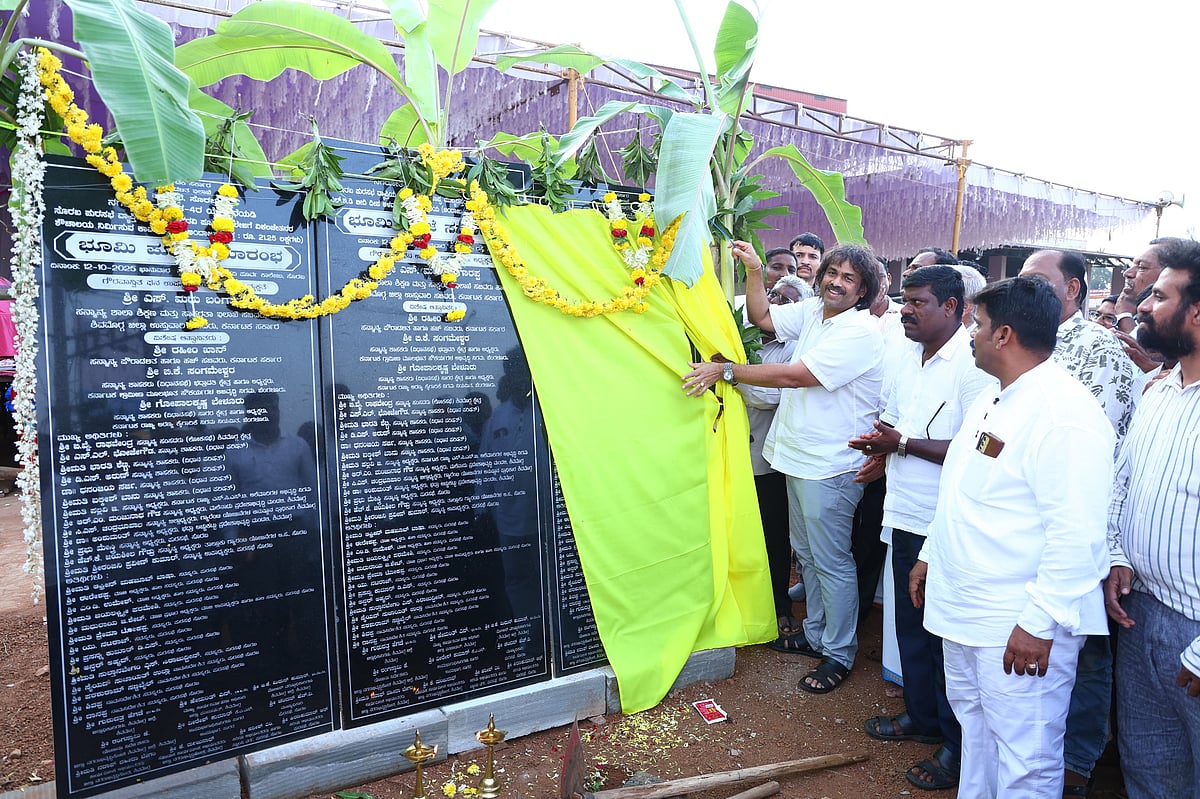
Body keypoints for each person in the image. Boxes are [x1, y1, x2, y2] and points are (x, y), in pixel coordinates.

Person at [910, 276, 1115, 799]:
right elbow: (964, 488)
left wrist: (1039, 622)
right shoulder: (995, 395)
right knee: (977, 737)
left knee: (1027, 757)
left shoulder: (1063, 415)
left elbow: (1077, 534)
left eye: (976, 324)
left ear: (1003, 335)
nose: (970, 334)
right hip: (968, 608)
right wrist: (930, 554)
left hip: (1016, 621)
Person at [684, 239, 882, 694]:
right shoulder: (814, 312)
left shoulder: (859, 331)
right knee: (807, 556)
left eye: (848, 278)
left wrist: (727, 371)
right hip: (798, 456)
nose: (836, 282)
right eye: (832, 273)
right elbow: (763, 317)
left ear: (863, 290)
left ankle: (838, 652)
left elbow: (796, 376)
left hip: (829, 464)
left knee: (831, 561)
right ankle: (816, 634)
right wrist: (755, 270)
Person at [853, 265, 995, 792]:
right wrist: (881, 449)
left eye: (918, 302)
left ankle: (957, 747)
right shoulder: (905, 355)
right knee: (910, 624)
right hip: (904, 510)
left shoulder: (973, 366)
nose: (906, 311)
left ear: (953, 307)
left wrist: (902, 445)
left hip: (946, 523)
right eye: (904, 300)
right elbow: (896, 424)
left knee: (944, 637)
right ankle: (922, 716)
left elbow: (977, 448)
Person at [1018, 249, 1135, 794]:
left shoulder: (1098, 348)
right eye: (1021, 278)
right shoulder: (1023, 340)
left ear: (1073, 290)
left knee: (1084, 649)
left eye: (1038, 279)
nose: (1026, 287)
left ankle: (1076, 766)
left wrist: (1107, 547)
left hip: (1079, 527)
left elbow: (1097, 457)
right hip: (1027, 528)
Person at [1105, 237, 1200, 799]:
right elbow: (1123, 483)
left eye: (1160, 296)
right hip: (1139, 614)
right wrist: (1118, 555)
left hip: (1196, 632)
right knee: (1149, 769)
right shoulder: (1158, 392)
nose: (1141, 304)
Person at [737, 274, 802, 639]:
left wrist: (729, 373)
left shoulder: (794, 348)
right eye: (774, 294)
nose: (776, 302)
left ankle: (779, 605)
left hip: (766, 460)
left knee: (773, 536)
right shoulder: (735, 332)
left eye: (787, 301)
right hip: (728, 453)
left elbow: (772, 396)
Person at [789, 232, 824, 297]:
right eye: (799, 255)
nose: (805, 262)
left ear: (820, 263)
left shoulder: (825, 296)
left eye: (813, 257)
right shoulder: (776, 290)